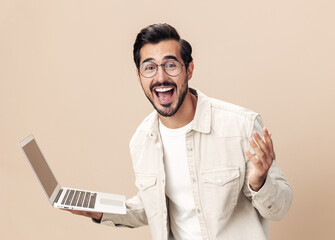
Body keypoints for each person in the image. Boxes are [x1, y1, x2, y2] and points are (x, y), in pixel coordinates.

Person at [67, 23, 293, 240]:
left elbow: (279, 209)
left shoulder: (241, 126)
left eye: (171, 65)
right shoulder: (142, 141)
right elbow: (152, 209)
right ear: (139, 76)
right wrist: (98, 210)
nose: (161, 77)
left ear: (189, 69)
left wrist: (260, 183)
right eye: (150, 67)